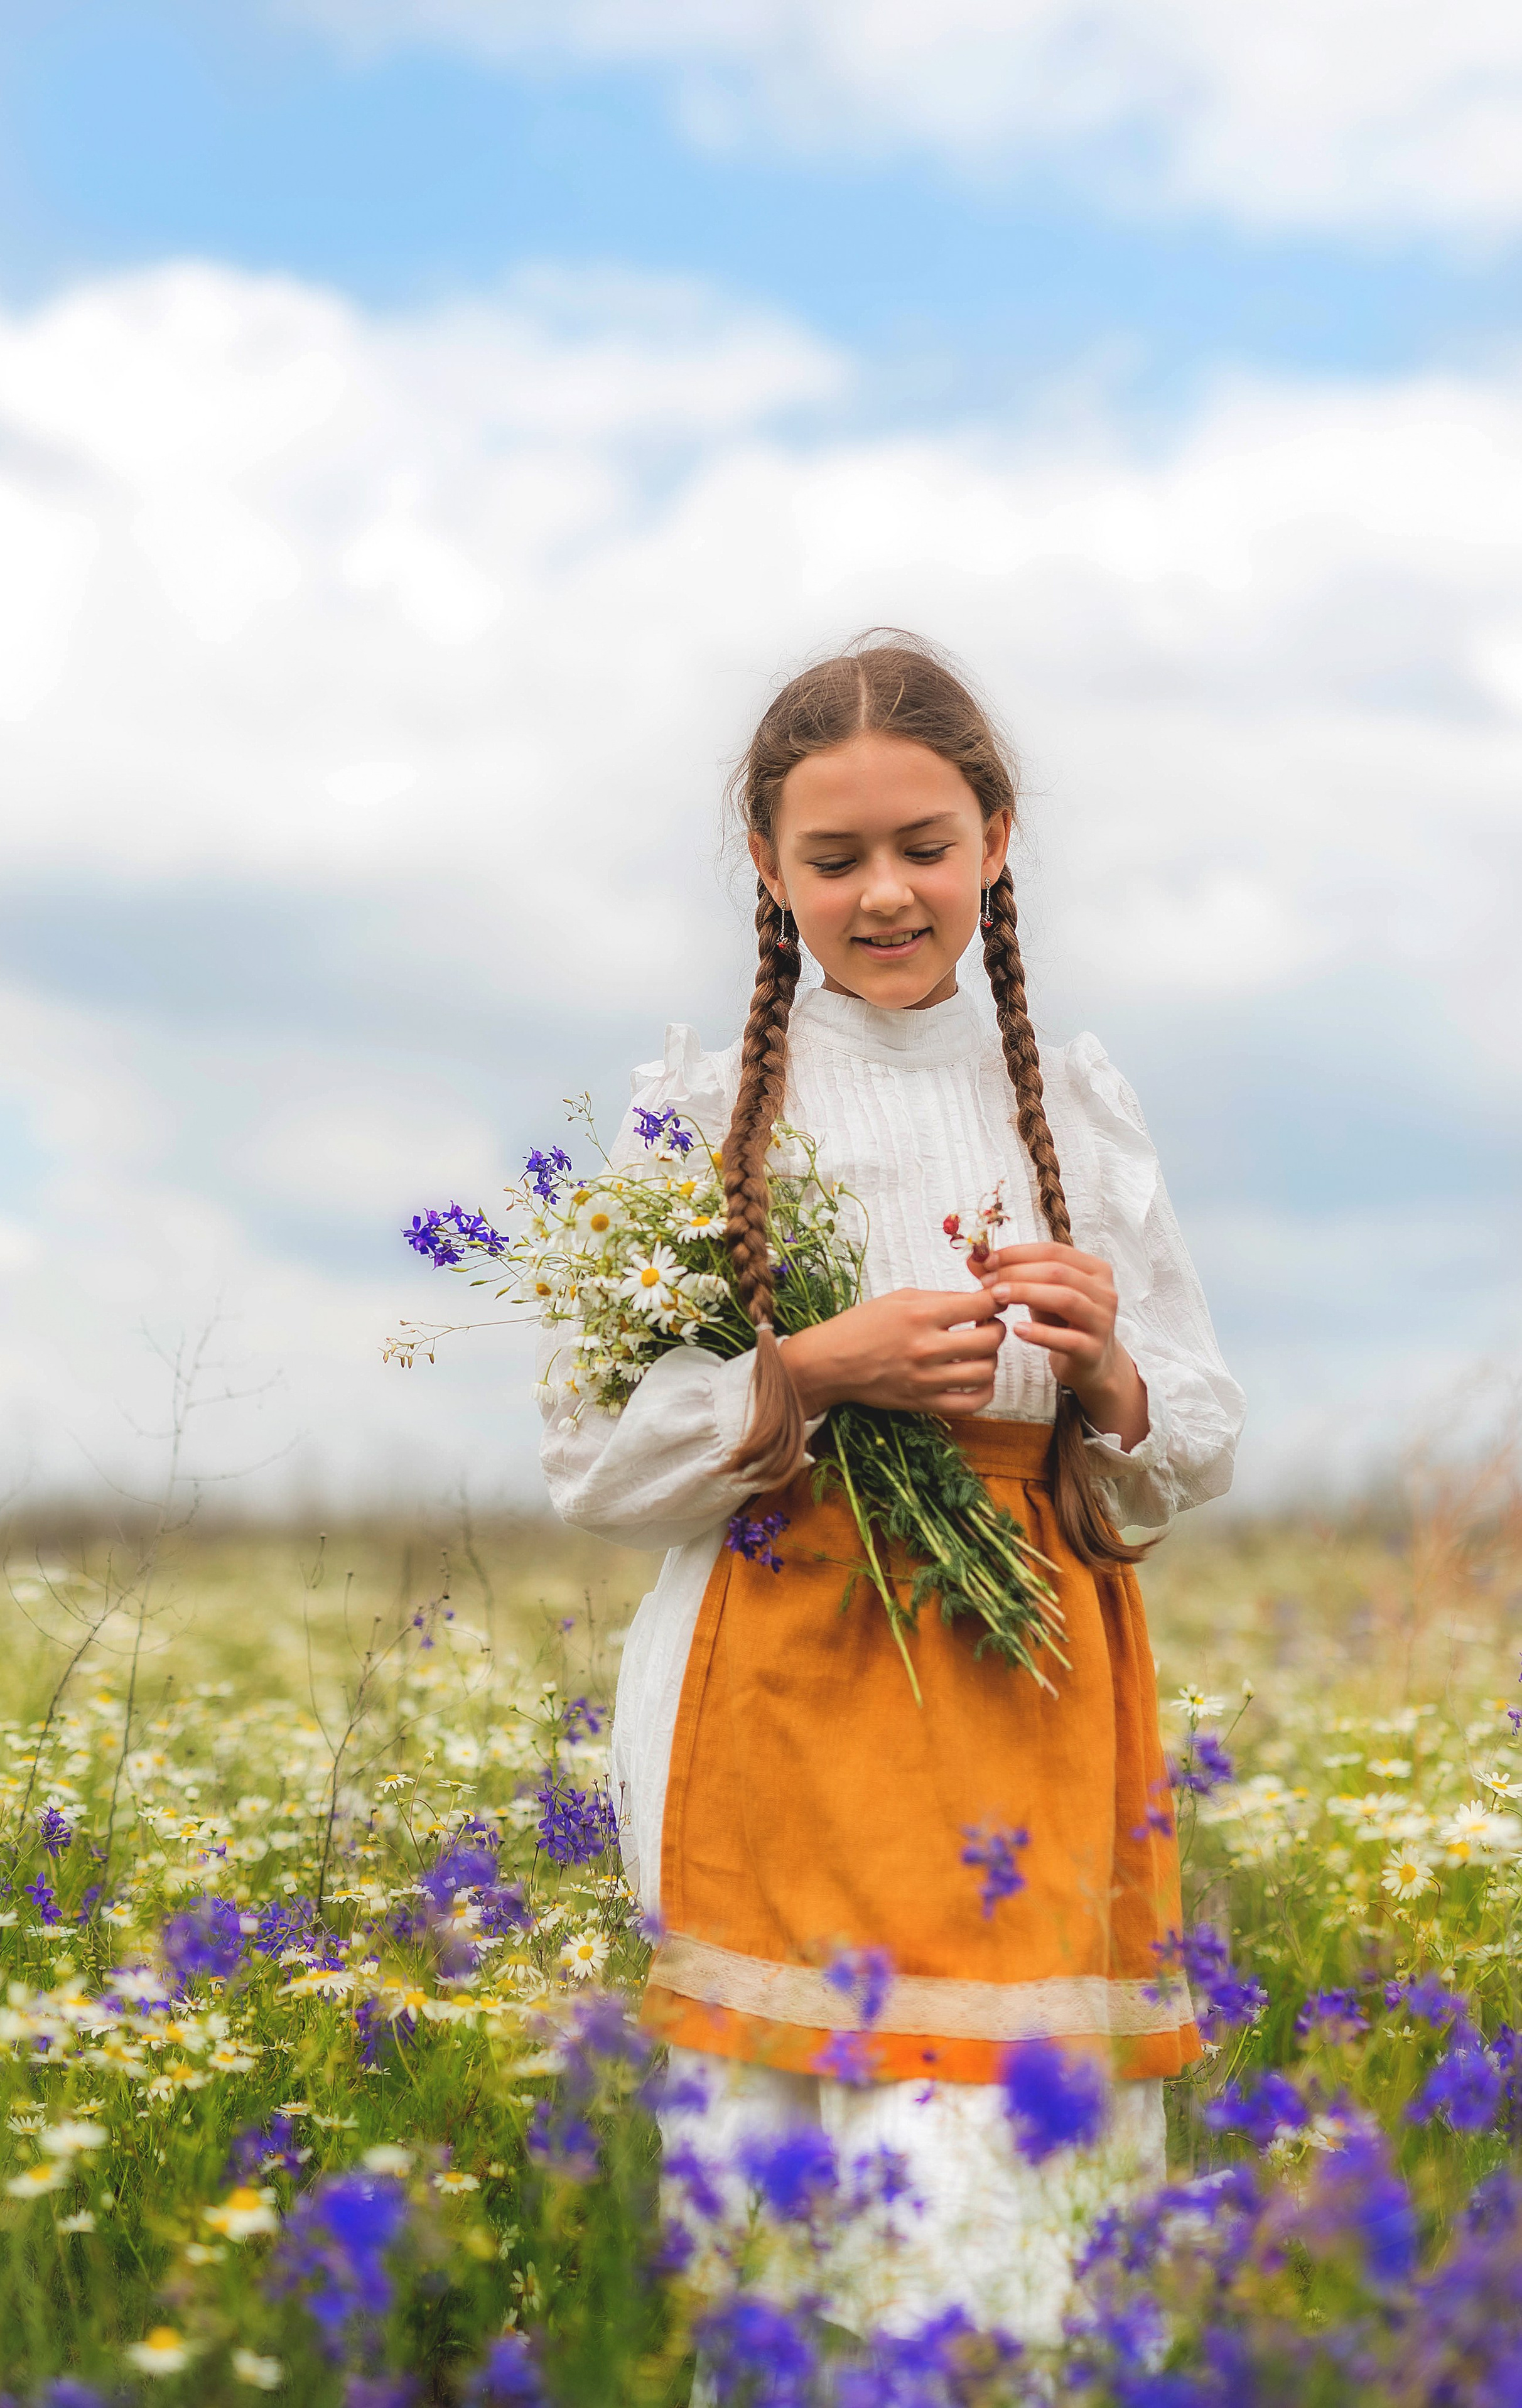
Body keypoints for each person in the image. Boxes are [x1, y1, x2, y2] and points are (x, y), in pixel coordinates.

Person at [539, 632, 1244, 2340]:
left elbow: (1199, 1432)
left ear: (995, 838)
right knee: (801, 2173)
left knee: (1003, 2165)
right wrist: (807, 1372)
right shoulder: (700, 1115)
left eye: (923, 843)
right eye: (833, 856)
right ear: (769, 871)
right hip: (782, 1667)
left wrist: (1104, 1371)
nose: (884, 892)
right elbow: (590, 1458)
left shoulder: (1077, 1102)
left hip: (1032, 1688)